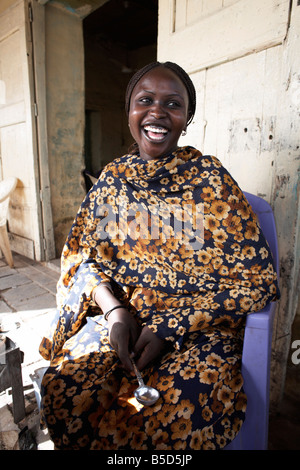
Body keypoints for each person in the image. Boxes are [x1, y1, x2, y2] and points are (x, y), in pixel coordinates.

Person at [39, 61, 279, 450]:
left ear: (186, 119)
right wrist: (115, 313)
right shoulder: (113, 180)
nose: (157, 112)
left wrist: (172, 326)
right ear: (130, 111)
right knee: (66, 390)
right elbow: (82, 258)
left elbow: (257, 279)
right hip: (124, 319)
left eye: (173, 104)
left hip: (199, 327)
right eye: (145, 100)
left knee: (178, 411)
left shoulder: (211, 181)